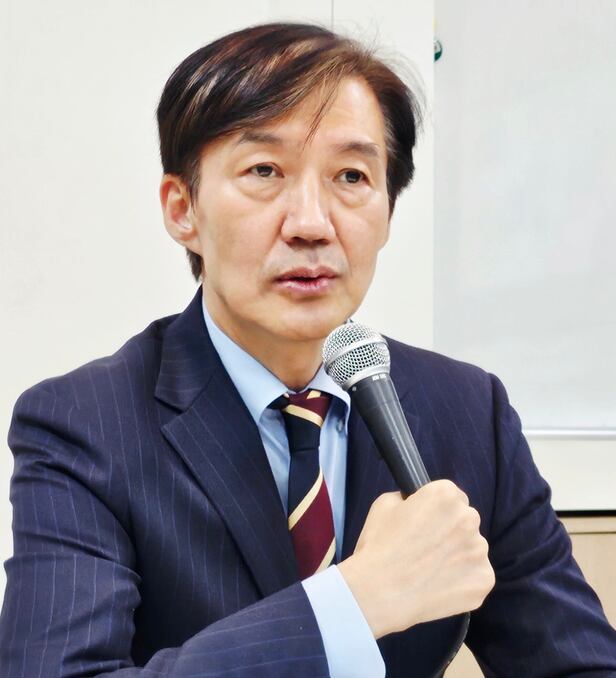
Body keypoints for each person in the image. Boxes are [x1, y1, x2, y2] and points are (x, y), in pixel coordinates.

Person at [1, 21, 615, 678]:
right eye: (264, 171)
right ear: (183, 208)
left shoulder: (467, 410)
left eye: (351, 175)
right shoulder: (84, 426)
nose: (312, 225)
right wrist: (354, 603)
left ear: (388, 210)